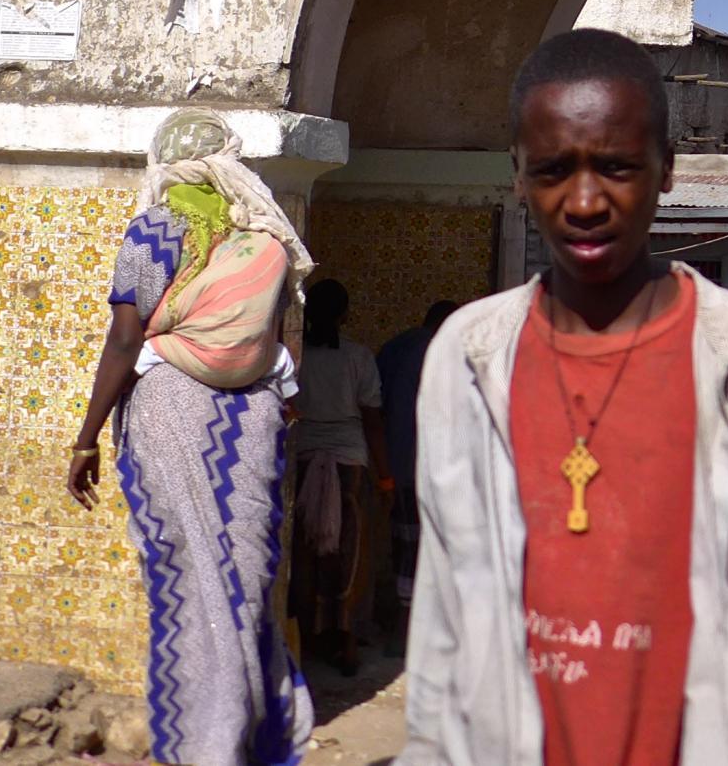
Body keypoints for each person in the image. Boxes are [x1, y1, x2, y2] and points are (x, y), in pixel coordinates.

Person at [400, 29, 728, 766]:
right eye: (553, 170)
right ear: (518, 175)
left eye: (615, 167)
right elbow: (445, 607)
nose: (584, 201)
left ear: (666, 169)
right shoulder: (467, 353)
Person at [67, 109, 315, 766]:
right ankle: (253, 734)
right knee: (243, 577)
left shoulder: (158, 227)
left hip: (171, 407)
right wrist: (283, 401)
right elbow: (285, 336)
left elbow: (126, 336)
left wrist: (86, 437)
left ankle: (210, 741)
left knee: (194, 578)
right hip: (255, 414)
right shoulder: (265, 235)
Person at [289, 277, 386, 672]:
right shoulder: (359, 358)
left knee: (306, 547)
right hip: (349, 463)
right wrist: (387, 478)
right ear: (346, 315)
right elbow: (373, 419)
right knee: (350, 551)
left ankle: (308, 634)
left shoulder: (296, 358)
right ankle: (345, 637)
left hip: (305, 456)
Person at [374, 297, 456, 654]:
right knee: (419, 547)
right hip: (424, 465)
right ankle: (409, 631)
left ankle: (395, 621)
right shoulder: (440, 353)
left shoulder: (394, 348)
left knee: (398, 543)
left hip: (388, 464)